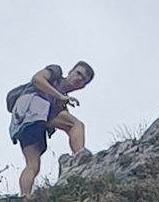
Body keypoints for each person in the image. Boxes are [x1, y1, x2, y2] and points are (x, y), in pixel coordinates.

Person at [6, 60, 95, 193]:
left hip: (25, 121)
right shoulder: (56, 73)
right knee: (75, 124)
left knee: (33, 165)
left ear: (82, 87)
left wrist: (61, 101)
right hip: (32, 104)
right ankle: (79, 157)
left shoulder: (61, 102)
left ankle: (24, 197)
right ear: (70, 72)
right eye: (78, 73)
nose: (78, 78)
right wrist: (59, 96)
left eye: (83, 79)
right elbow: (37, 79)